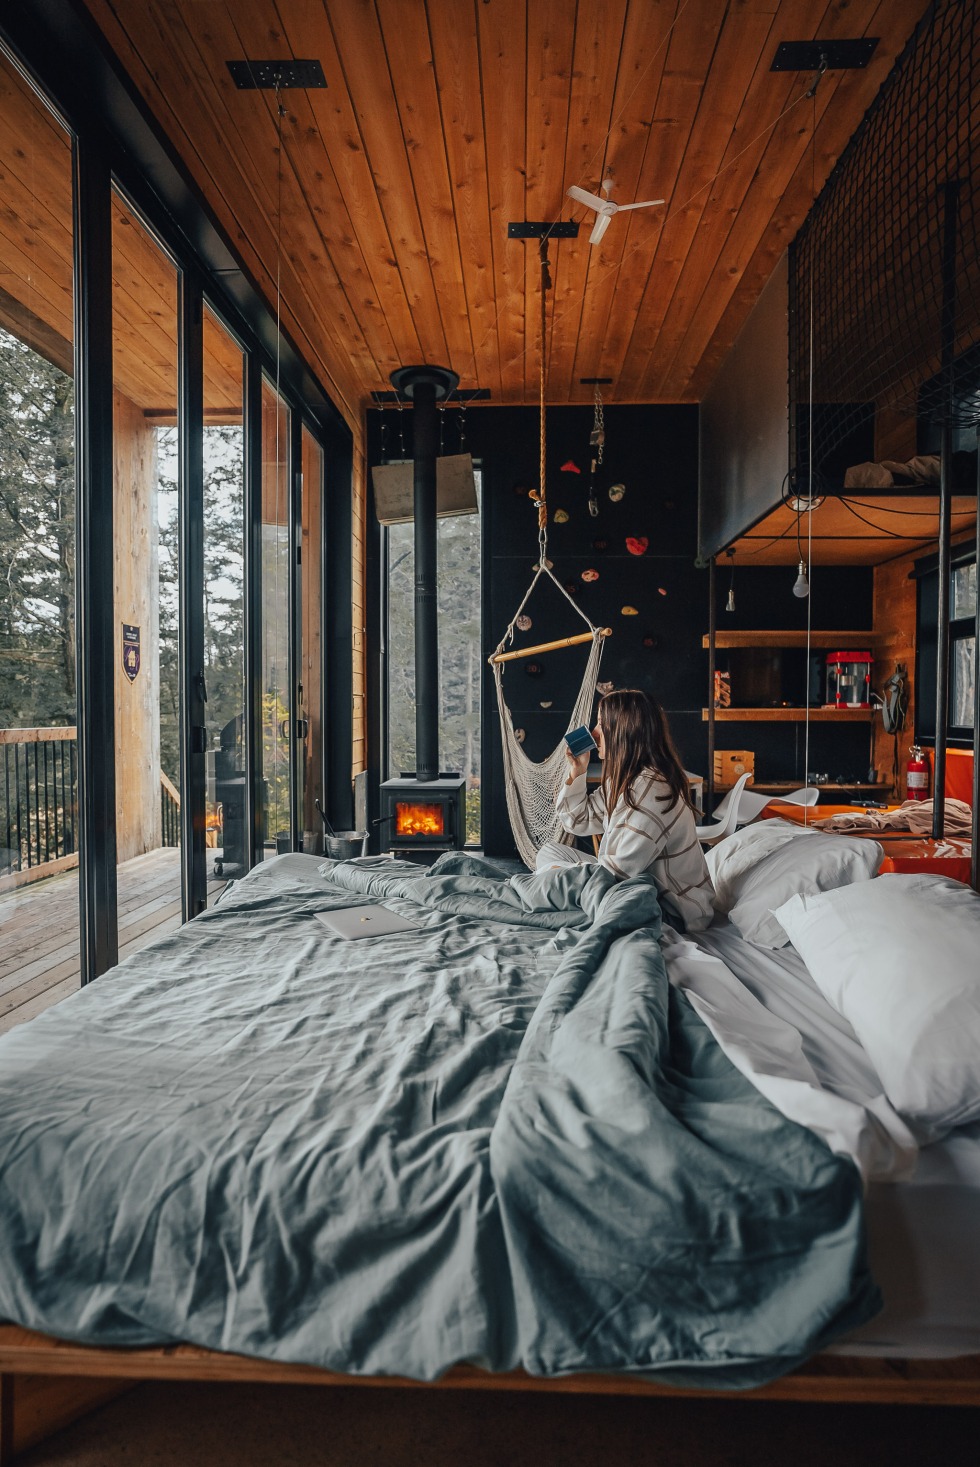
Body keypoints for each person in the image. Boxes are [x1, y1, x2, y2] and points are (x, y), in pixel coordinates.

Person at [535, 688, 715, 933]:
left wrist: (565, 874)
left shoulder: (651, 791)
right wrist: (578, 771)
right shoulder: (626, 780)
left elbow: (620, 872)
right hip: (630, 882)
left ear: (623, 731)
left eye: (600, 724)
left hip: (671, 907)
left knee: (550, 876)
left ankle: (559, 895)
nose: (594, 734)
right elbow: (577, 821)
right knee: (549, 853)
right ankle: (561, 891)